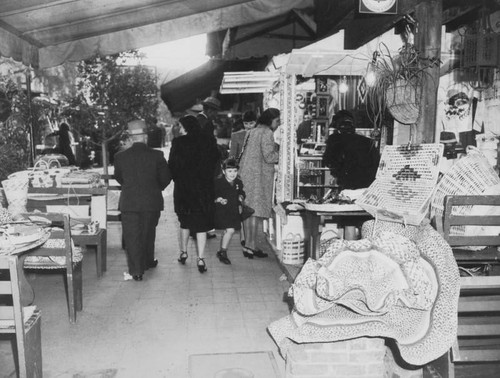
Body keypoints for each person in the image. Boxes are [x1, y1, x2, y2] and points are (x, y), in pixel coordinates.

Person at [114, 119, 172, 281]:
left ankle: (136, 271)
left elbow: (120, 178)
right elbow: (166, 177)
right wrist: (154, 189)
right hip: (151, 202)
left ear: (131, 138)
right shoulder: (157, 155)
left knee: (132, 237)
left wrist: (131, 188)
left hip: (129, 203)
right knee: (148, 233)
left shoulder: (120, 157)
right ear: (145, 137)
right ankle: (147, 261)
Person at [168, 114, 219, 273]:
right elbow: (216, 162)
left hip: (184, 191)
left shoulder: (178, 143)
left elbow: (172, 167)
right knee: (202, 225)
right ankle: (201, 259)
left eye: (182, 127)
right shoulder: (209, 141)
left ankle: (184, 253)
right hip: (203, 190)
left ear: (186, 127)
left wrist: (180, 179)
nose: (180, 130)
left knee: (184, 223)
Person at [239, 108, 281, 259]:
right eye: (277, 120)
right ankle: (251, 246)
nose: (279, 123)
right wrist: (281, 153)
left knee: (249, 212)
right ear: (270, 120)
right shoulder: (267, 133)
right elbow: (269, 157)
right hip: (259, 178)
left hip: (246, 175)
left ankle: (249, 246)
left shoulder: (253, 131)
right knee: (255, 213)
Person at [322, 110, 380, 190]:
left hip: (347, 182)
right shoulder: (367, 141)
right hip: (368, 184)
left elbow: (328, 161)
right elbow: (376, 162)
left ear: (338, 127)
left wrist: (337, 172)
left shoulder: (335, 139)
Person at [214, 157, 246, 265]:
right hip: (221, 211)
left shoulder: (238, 182)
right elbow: (211, 195)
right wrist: (218, 199)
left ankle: (221, 251)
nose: (233, 174)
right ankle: (223, 252)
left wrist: (241, 196)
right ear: (223, 171)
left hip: (233, 211)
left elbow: (241, 192)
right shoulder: (218, 182)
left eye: (235, 171)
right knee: (230, 230)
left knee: (227, 231)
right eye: (229, 171)